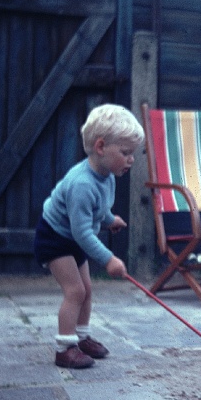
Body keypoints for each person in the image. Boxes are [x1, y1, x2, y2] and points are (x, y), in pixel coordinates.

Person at [34, 104, 145, 368]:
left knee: (87, 290)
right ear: (100, 147)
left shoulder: (107, 175)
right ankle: (64, 348)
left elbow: (98, 209)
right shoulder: (82, 183)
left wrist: (109, 219)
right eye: (125, 153)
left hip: (73, 238)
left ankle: (81, 338)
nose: (131, 159)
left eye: (132, 153)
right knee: (75, 291)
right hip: (55, 239)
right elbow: (81, 231)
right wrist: (108, 259)